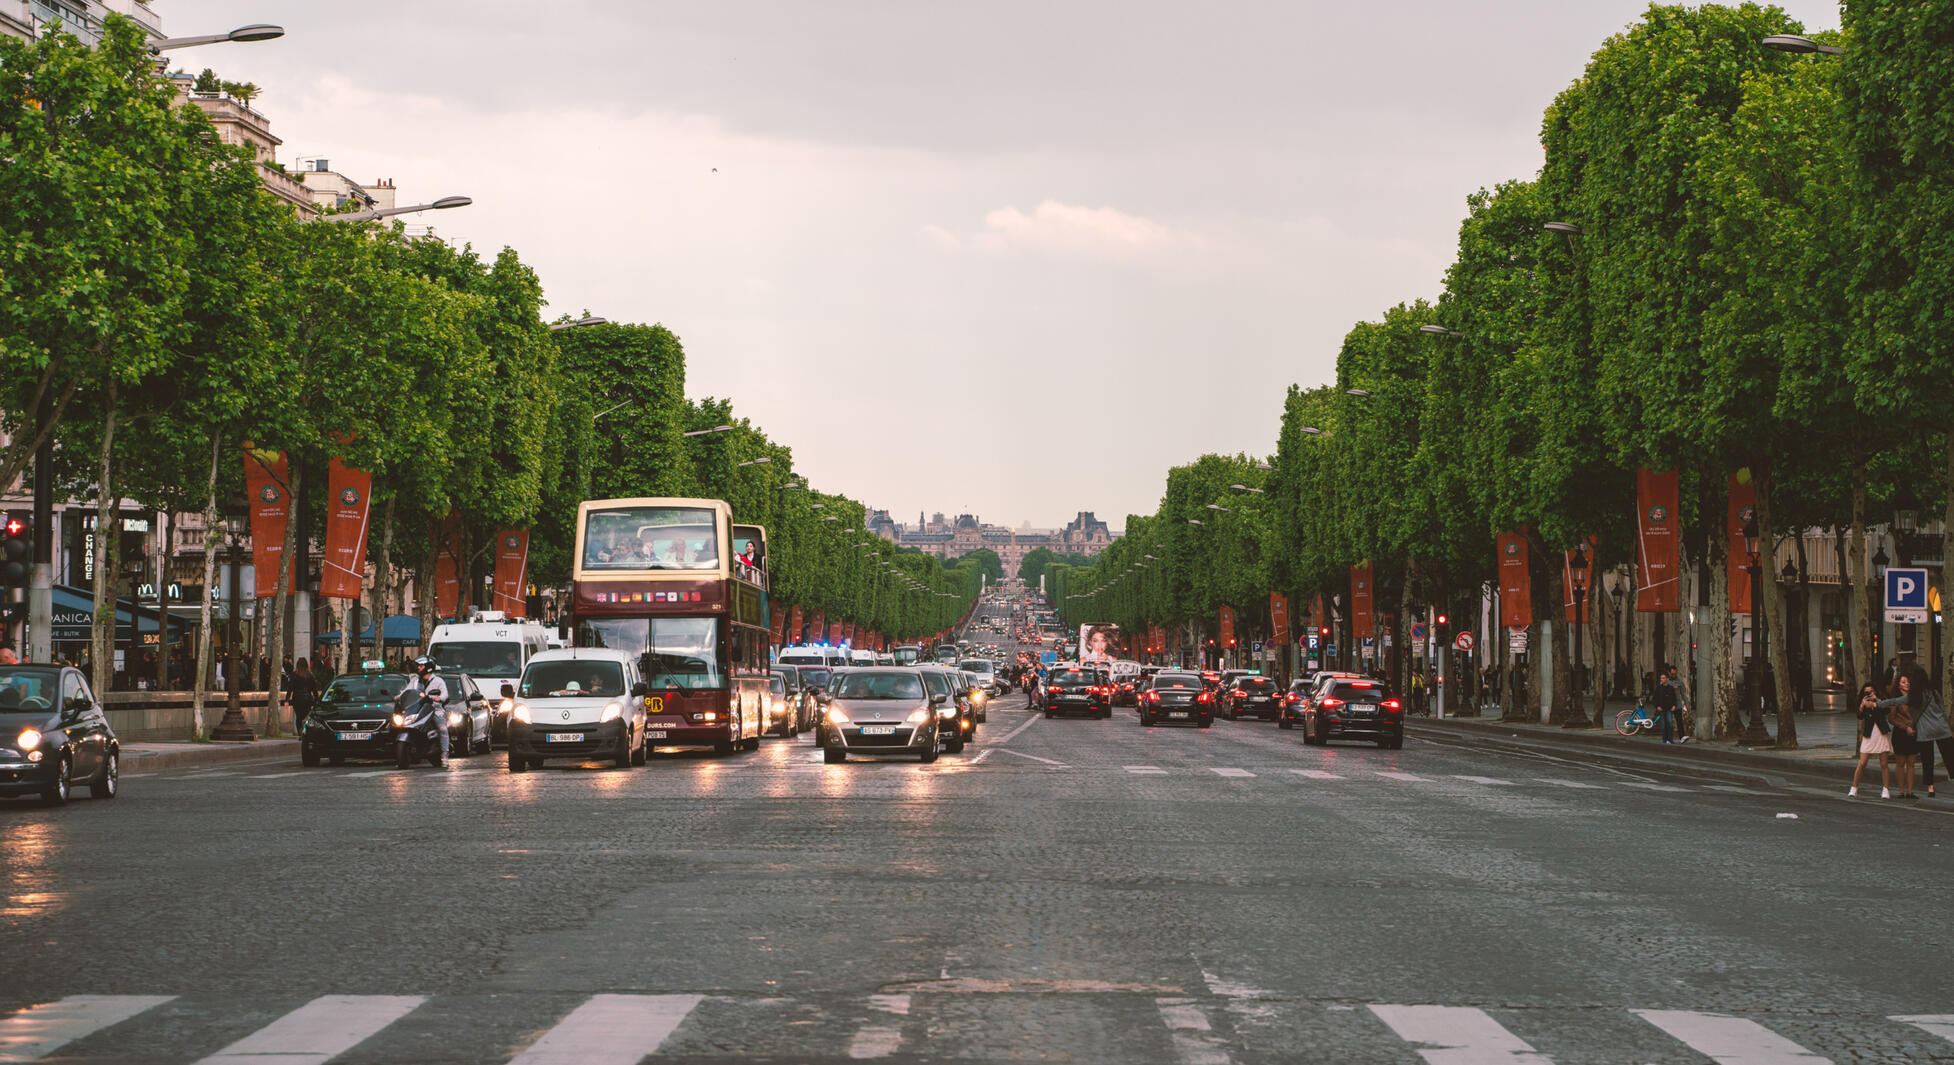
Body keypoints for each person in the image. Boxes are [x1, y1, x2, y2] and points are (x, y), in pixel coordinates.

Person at [1852, 682, 1895, 798]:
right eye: (1866, 692)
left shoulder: (1880, 701)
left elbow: (1887, 711)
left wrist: (1877, 700)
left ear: (1874, 691)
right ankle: (1854, 788)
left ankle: (1886, 790)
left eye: (1870, 691)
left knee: (1884, 763)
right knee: (1862, 763)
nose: (1868, 694)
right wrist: (1862, 705)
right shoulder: (1864, 702)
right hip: (1869, 734)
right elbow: (1859, 716)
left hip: (1880, 732)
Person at [406, 655, 450, 767]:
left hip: (434, 708)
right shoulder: (415, 680)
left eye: (421, 666)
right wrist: (399, 696)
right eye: (418, 666)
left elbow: (445, 693)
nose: (418, 668)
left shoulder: (438, 681)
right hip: (418, 709)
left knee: (442, 728)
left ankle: (445, 754)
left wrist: (439, 698)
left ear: (428, 667)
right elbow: (407, 691)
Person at [288, 657, 316, 734]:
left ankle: (300, 732)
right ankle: (305, 731)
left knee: (299, 717)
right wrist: (316, 699)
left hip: (297, 699)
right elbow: (314, 689)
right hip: (307, 699)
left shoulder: (294, 675)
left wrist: (287, 699)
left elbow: (290, 688)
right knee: (306, 717)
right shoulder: (310, 675)